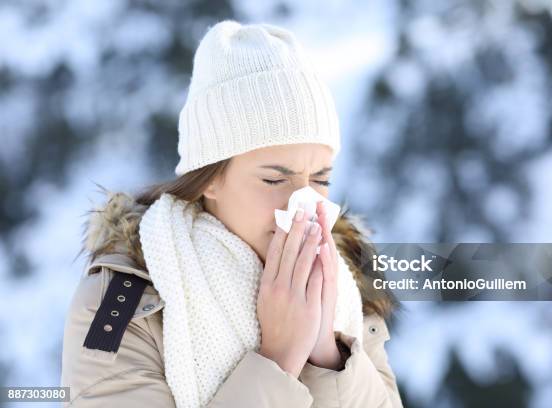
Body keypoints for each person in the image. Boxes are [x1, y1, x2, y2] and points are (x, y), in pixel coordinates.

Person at [61, 19, 404, 407]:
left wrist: (325, 351)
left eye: (321, 179)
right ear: (210, 178)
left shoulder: (342, 285)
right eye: (275, 180)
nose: (304, 207)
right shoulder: (121, 304)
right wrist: (279, 358)